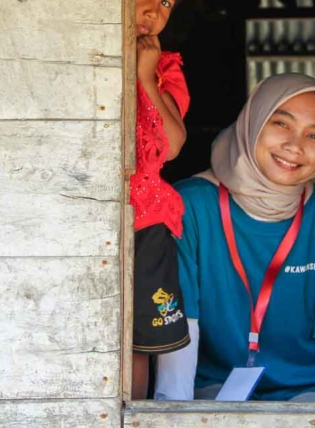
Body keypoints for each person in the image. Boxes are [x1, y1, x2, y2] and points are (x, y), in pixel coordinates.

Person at [154, 73, 315, 402]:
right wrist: (174, 418)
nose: (295, 146)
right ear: (253, 121)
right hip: (214, 392)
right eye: (281, 124)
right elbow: (179, 324)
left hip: (310, 393)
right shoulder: (189, 205)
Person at [131, 0, 191, 399]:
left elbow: (171, 146)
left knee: (137, 341)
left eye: (167, 1)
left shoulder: (165, 68)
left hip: (147, 218)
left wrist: (146, 78)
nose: (155, 11)